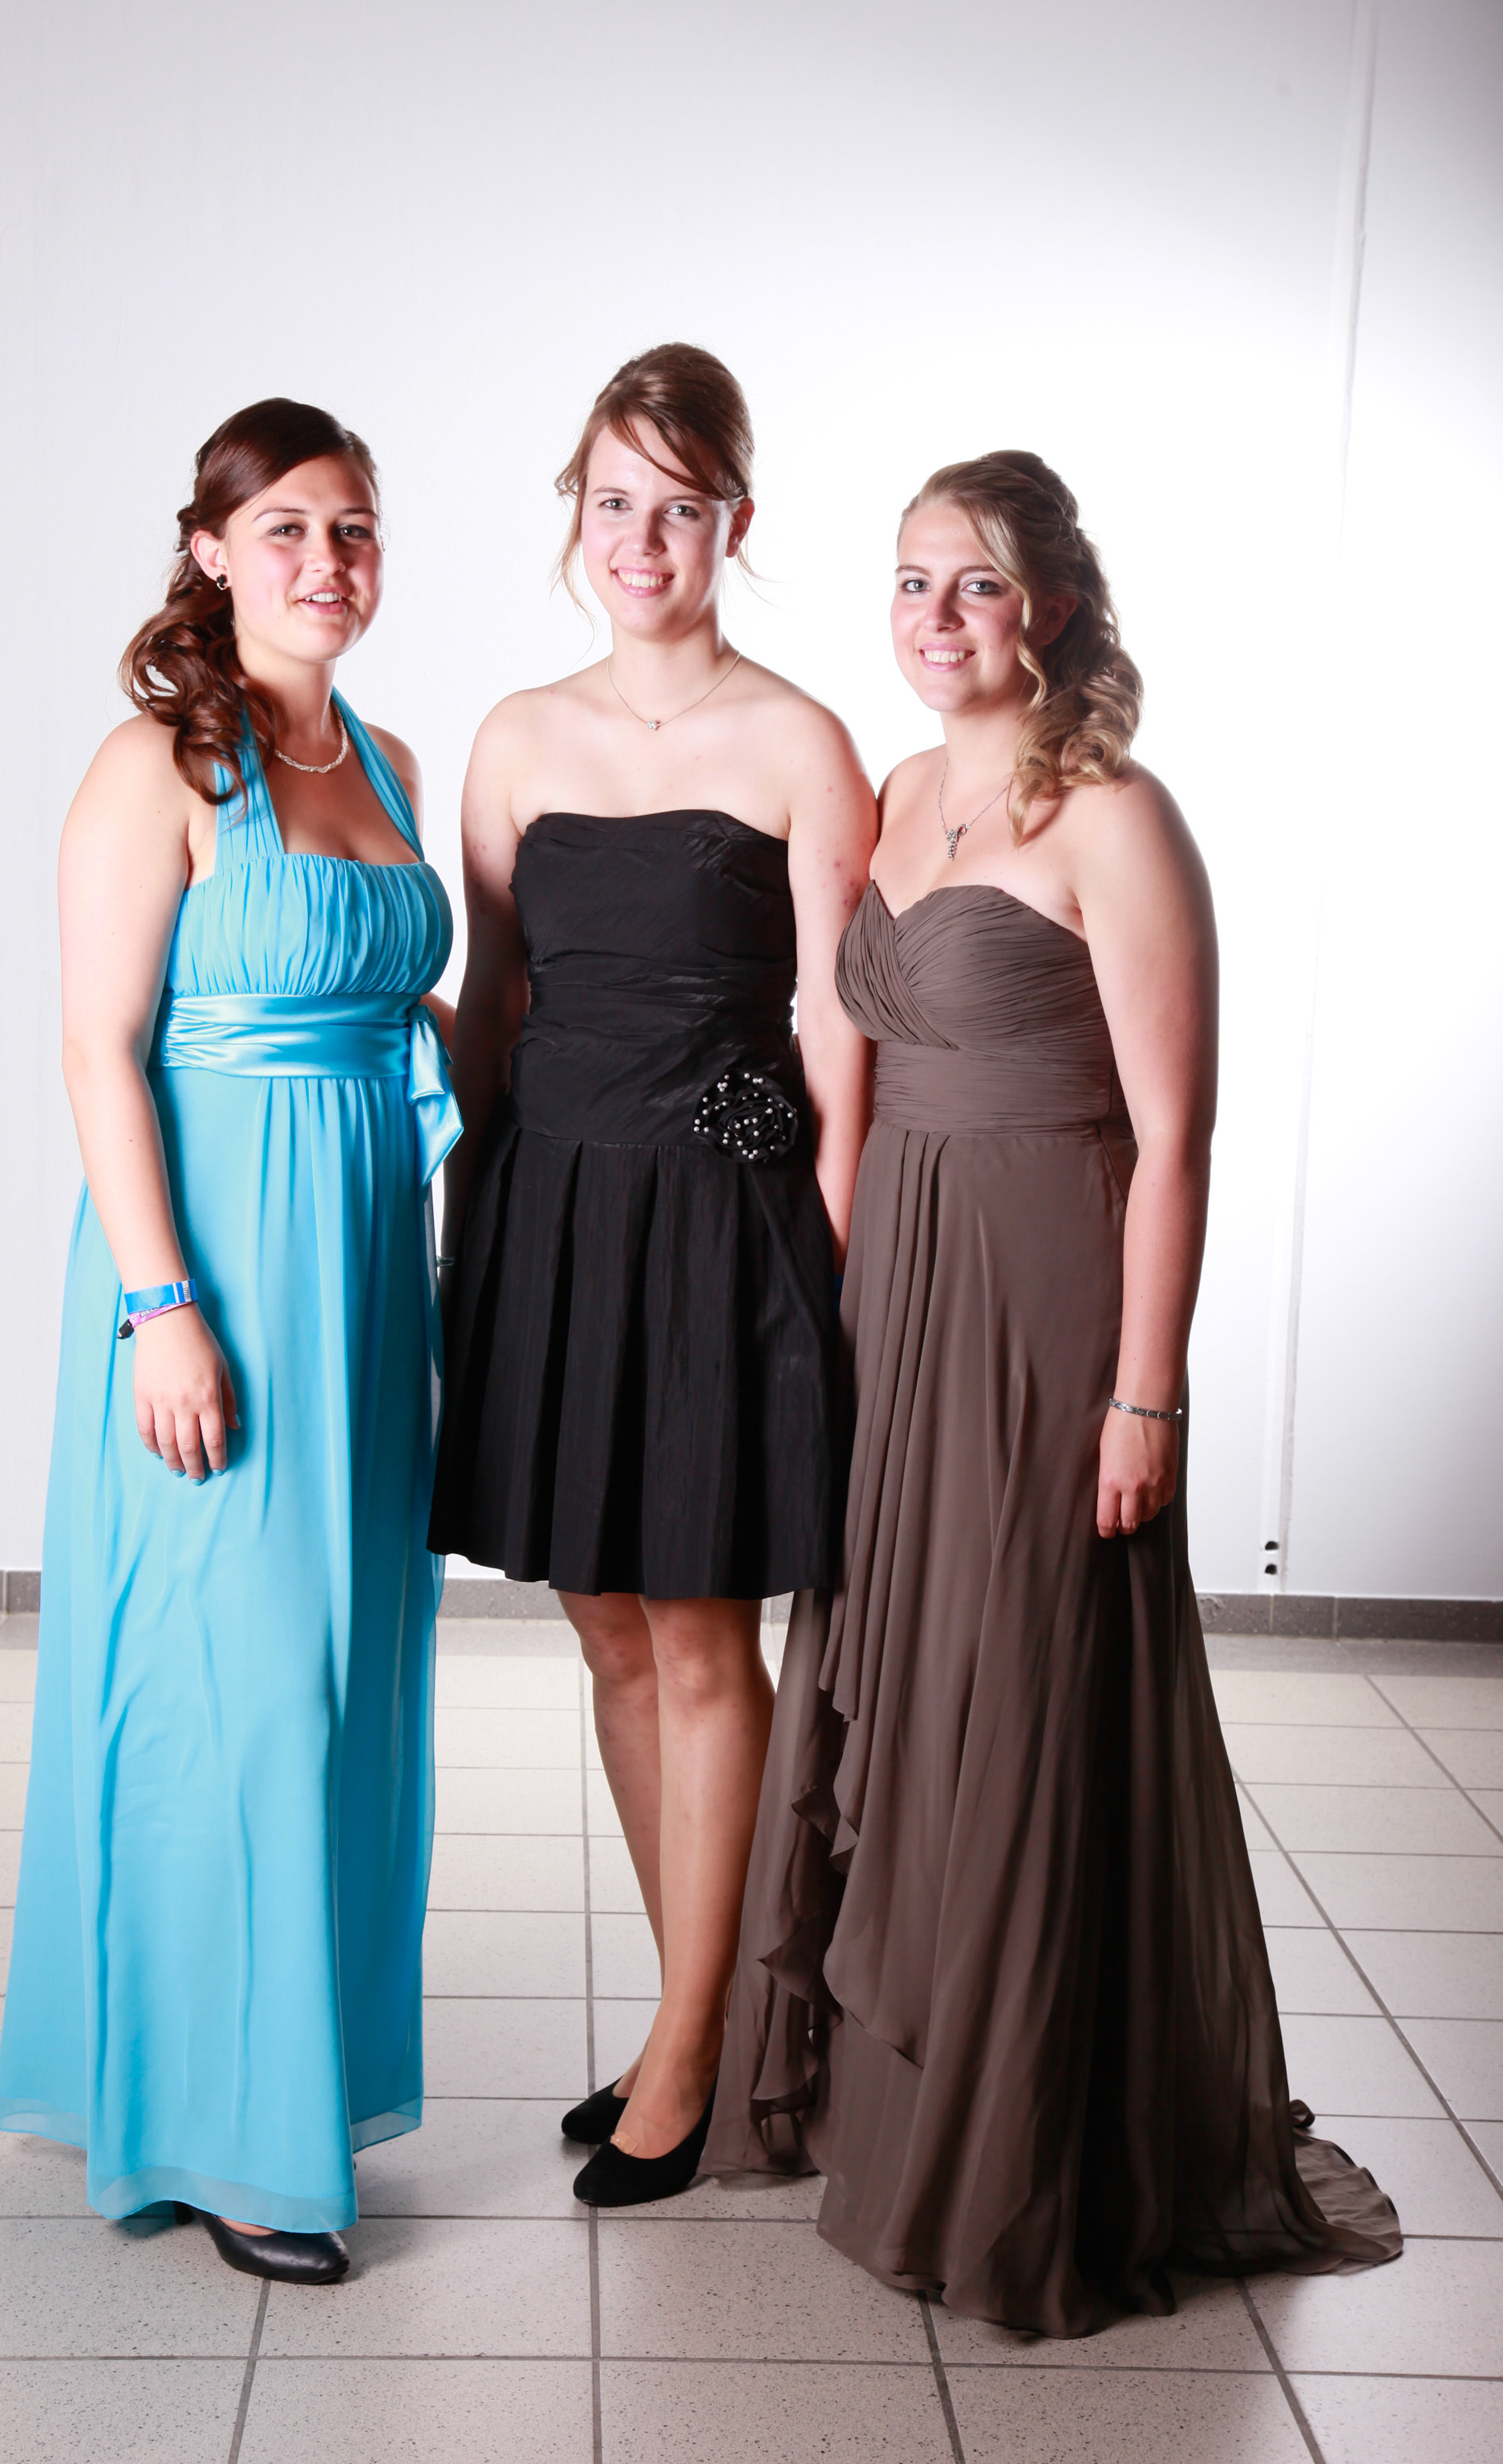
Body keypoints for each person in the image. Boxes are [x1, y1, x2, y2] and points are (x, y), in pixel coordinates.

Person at [704, 451, 1400, 2331]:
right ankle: (891, 2103)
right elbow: (840, 1075)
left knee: (1015, 1687)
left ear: (1056, 609)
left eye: (977, 585)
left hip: (1042, 1300)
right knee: (899, 1670)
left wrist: (1143, 1396)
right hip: (894, 1293)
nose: (934, 618)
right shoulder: (894, 790)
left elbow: (1174, 1139)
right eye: (909, 580)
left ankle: (1014, 2162)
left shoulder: (1116, 818)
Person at [0, 399, 460, 2284]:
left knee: (340, 1688)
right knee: (223, 1685)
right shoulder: (155, 765)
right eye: (286, 529)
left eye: (353, 530)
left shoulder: (390, 761)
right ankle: (223, 2136)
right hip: (212, 1268)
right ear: (210, 550)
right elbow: (99, 1050)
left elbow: (402, 1012)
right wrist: (161, 1306)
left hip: (365, 1263)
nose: (326, 563)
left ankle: (272, 2082)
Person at [430, 344, 876, 2205]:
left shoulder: (798, 743)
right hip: (546, 1216)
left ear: (731, 523)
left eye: (676, 508)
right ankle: (692, 2009)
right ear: (579, 516)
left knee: (699, 1633)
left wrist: (836, 1278)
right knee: (604, 1624)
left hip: (716, 1233)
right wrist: (453, 1218)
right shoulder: (515, 737)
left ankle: (694, 2054)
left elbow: (844, 1043)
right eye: (612, 502)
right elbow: (496, 1006)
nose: (640, 538)